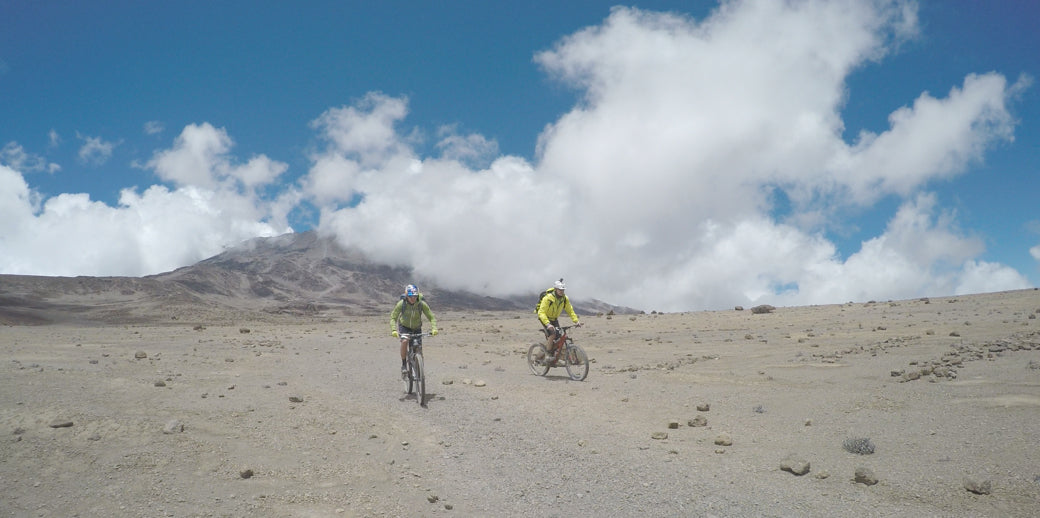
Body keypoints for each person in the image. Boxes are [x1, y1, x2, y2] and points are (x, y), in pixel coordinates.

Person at [390, 284, 438, 376]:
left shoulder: (421, 304)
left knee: (418, 349)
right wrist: (394, 330)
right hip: (404, 326)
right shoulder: (402, 304)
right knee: (404, 341)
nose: (413, 298)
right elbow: (393, 317)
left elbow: (431, 317)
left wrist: (434, 328)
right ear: (407, 296)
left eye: (415, 296)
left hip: (416, 328)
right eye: (411, 296)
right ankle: (404, 365)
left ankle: (419, 368)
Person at [536, 278, 581, 362]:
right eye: (560, 290)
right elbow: (541, 312)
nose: (562, 291)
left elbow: (570, 310)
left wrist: (576, 321)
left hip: (554, 318)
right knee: (552, 334)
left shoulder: (564, 299)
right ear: (556, 289)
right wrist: (548, 324)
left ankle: (555, 354)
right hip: (545, 318)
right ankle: (548, 355)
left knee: (559, 336)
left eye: (563, 290)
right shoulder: (548, 298)